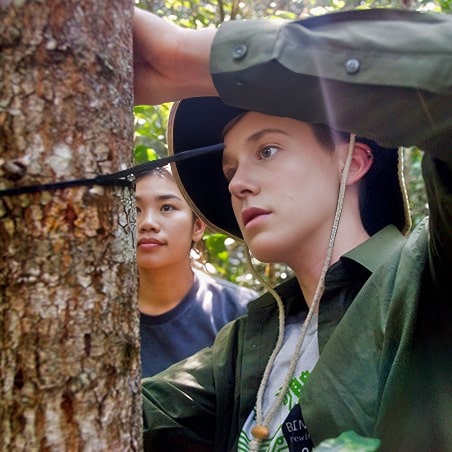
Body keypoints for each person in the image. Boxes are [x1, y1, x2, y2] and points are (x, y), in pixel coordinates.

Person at [134, 7, 452, 451]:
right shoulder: (250, 342)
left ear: (352, 162)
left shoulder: (428, 278)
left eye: (266, 150)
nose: (238, 183)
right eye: (230, 169)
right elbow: (119, 417)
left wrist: (182, 55)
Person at [135, 166, 257, 378]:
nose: (148, 223)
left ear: (198, 227)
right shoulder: (95, 313)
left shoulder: (240, 312)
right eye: (135, 209)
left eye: (167, 207)